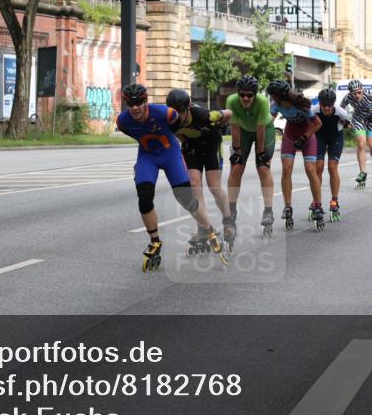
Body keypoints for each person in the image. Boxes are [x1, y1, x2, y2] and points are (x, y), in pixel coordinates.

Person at [116, 83, 224, 271]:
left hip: (170, 154)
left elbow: (178, 129)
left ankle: (209, 229)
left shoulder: (166, 114)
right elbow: (136, 133)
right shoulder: (122, 121)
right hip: (148, 156)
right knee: (144, 196)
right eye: (130, 104)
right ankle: (155, 241)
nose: (134, 108)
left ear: (145, 101)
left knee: (186, 198)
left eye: (138, 103)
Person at [166, 88, 236, 252]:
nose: (178, 115)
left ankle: (228, 220)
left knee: (213, 186)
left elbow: (229, 113)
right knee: (194, 184)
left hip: (212, 145)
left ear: (188, 107)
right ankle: (203, 228)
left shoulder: (202, 115)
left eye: (181, 111)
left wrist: (220, 123)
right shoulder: (168, 120)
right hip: (192, 147)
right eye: (174, 111)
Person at [267, 80, 324, 231]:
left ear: (280, 96)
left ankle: (317, 205)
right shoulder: (277, 105)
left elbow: (318, 124)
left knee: (310, 169)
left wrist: (305, 137)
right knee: (286, 169)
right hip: (290, 135)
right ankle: (287, 206)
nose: (272, 98)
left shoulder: (302, 105)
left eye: (273, 96)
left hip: (307, 135)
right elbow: (268, 122)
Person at [226, 76, 278, 237]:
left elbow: (260, 129)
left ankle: (268, 210)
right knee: (236, 168)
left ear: (255, 94)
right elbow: (233, 127)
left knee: (263, 168)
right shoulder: (231, 101)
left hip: (264, 130)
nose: (245, 98)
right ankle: (231, 210)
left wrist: (261, 153)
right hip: (243, 132)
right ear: (238, 94)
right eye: (242, 94)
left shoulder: (262, 102)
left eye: (249, 95)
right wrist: (236, 151)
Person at [340, 79, 372, 188]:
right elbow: (341, 108)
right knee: (361, 144)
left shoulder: (370, 94)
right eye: (354, 93)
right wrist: (344, 120)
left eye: (359, 92)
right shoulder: (348, 97)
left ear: (362, 90)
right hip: (359, 119)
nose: (357, 95)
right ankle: (362, 173)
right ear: (350, 92)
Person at [314, 88, 350, 221]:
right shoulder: (314, 110)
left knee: (332, 167)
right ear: (320, 103)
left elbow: (346, 124)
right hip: (320, 137)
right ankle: (316, 200)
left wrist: (347, 124)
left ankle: (334, 200)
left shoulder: (341, 113)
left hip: (336, 137)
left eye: (329, 105)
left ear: (333, 104)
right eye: (323, 105)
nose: (326, 109)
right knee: (318, 167)